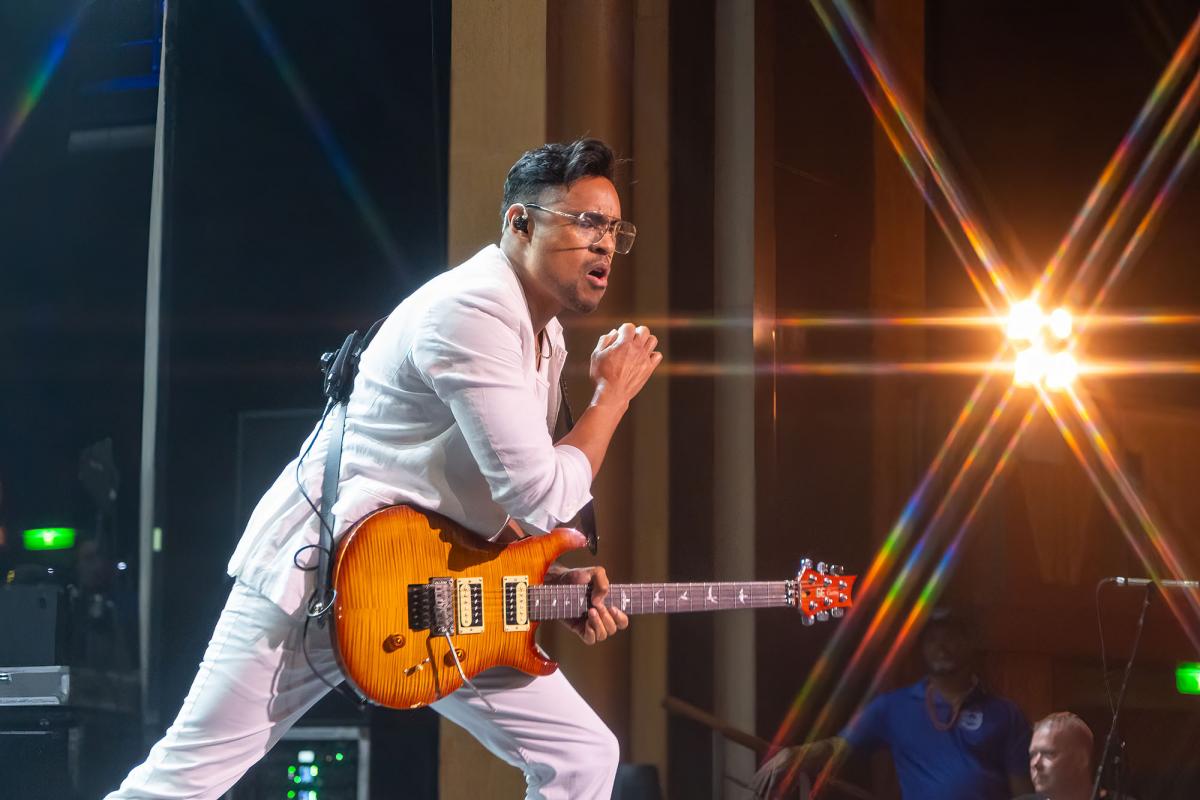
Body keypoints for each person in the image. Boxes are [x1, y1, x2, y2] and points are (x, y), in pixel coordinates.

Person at [105, 137, 662, 800]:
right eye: (587, 222)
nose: (605, 244)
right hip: (319, 577)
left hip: (419, 586)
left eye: (615, 229)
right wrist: (611, 397)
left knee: (582, 754)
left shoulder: (546, 335)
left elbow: (479, 494)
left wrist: (542, 572)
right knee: (180, 783)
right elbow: (540, 493)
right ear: (520, 223)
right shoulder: (473, 309)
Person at [752, 609, 1035, 800]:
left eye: (951, 637)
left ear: (970, 643)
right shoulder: (893, 707)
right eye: (932, 639)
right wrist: (794, 756)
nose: (941, 646)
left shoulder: (1006, 714)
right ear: (922, 647)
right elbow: (839, 747)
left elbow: (1023, 792)